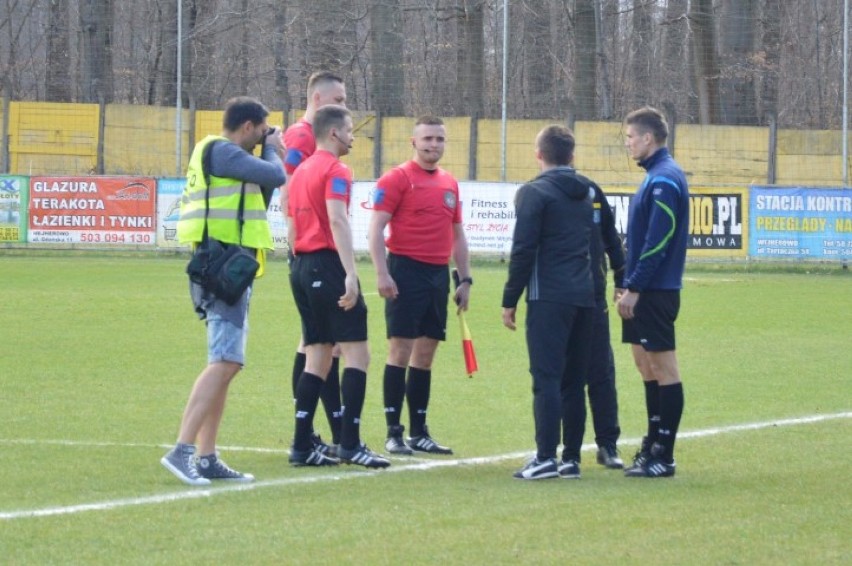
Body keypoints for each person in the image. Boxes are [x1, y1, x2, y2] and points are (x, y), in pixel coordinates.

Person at [161, 96, 286, 486]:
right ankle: (182, 451)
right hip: (221, 268)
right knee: (225, 361)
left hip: (228, 266)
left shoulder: (225, 158)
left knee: (226, 363)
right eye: (261, 131)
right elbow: (277, 176)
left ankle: (207, 455)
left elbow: (262, 195)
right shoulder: (223, 152)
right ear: (248, 127)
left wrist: (267, 151)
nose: (263, 138)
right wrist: (274, 150)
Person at [287, 104, 389, 468]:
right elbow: (337, 219)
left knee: (317, 355)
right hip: (327, 264)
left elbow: (291, 223)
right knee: (358, 354)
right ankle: (350, 443)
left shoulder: (299, 172)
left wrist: (300, 262)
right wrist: (349, 272)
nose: (352, 137)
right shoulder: (336, 169)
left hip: (300, 265)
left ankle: (301, 447)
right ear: (334, 133)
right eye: (349, 130)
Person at [368, 116, 472, 456]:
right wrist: (383, 274)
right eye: (428, 138)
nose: (434, 145)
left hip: (437, 275)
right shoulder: (397, 178)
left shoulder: (449, 183)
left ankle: (419, 431)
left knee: (425, 355)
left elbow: (457, 235)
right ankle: (393, 432)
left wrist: (464, 278)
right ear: (414, 142)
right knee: (400, 350)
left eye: (440, 139)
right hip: (405, 271)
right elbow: (374, 230)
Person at [501, 124, 596, 480]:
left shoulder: (534, 192)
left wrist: (510, 299)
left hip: (549, 297)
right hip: (584, 296)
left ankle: (544, 457)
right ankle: (571, 458)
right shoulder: (586, 191)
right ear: (571, 156)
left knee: (547, 378)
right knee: (574, 381)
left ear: (538, 154)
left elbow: (524, 249)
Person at [617, 106, 689, 478]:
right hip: (642, 290)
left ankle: (665, 453)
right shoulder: (653, 177)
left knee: (663, 367)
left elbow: (657, 241)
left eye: (630, 137)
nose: (628, 143)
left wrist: (635, 287)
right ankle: (652, 442)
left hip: (655, 292)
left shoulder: (665, 179)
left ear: (648, 138)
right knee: (645, 365)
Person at [280, 71, 347, 456]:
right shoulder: (303, 136)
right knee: (317, 343)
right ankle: (314, 432)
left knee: (320, 343)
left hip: (310, 249)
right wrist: (294, 235)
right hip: (311, 250)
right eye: (339, 98)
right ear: (319, 100)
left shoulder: (307, 137)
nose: (344, 105)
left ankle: (322, 430)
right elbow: (290, 188)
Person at [560, 176, 627, 475]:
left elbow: (610, 236)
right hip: (559, 301)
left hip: (594, 296)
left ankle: (607, 445)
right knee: (568, 378)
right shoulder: (541, 190)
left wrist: (620, 278)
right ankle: (570, 452)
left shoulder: (592, 190)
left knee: (601, 373)